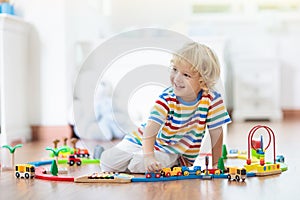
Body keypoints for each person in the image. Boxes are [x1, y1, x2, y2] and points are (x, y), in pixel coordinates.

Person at [100, 42, 231, 173]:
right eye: (175, 70)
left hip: (171, 151)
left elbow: (216, 133)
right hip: (142, 140)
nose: (177, 78)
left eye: (186, 75)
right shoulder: (167, 98)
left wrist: (216, 164)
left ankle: (146, 160)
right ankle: (134, 157)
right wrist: (149, 156)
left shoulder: (212, 100)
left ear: (203, 81)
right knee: (107, 162)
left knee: (139, 165)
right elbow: (151, 128)